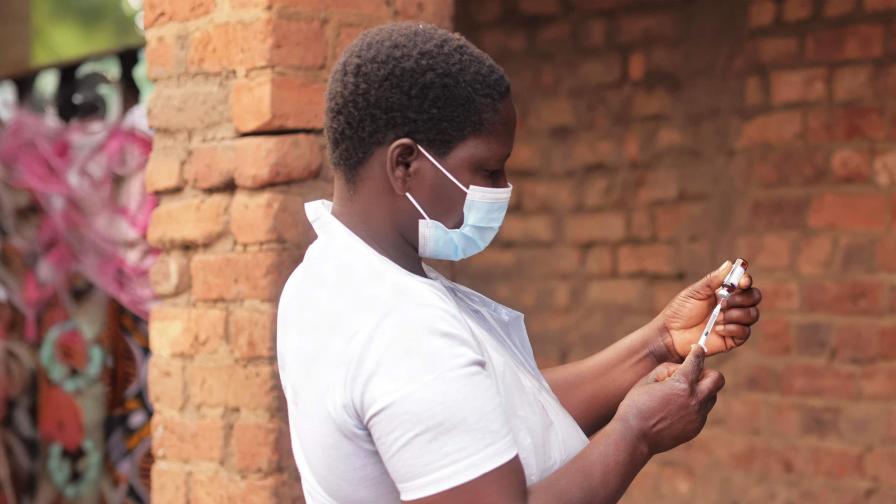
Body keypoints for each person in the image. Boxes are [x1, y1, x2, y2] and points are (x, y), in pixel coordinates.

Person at [276, 22, 762, 504]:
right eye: (488, 168)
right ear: (405, 164)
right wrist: (635, 435)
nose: (502, 188)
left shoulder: (327, 279)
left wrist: (659, 344)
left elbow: (488, 416)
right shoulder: (399, 326)